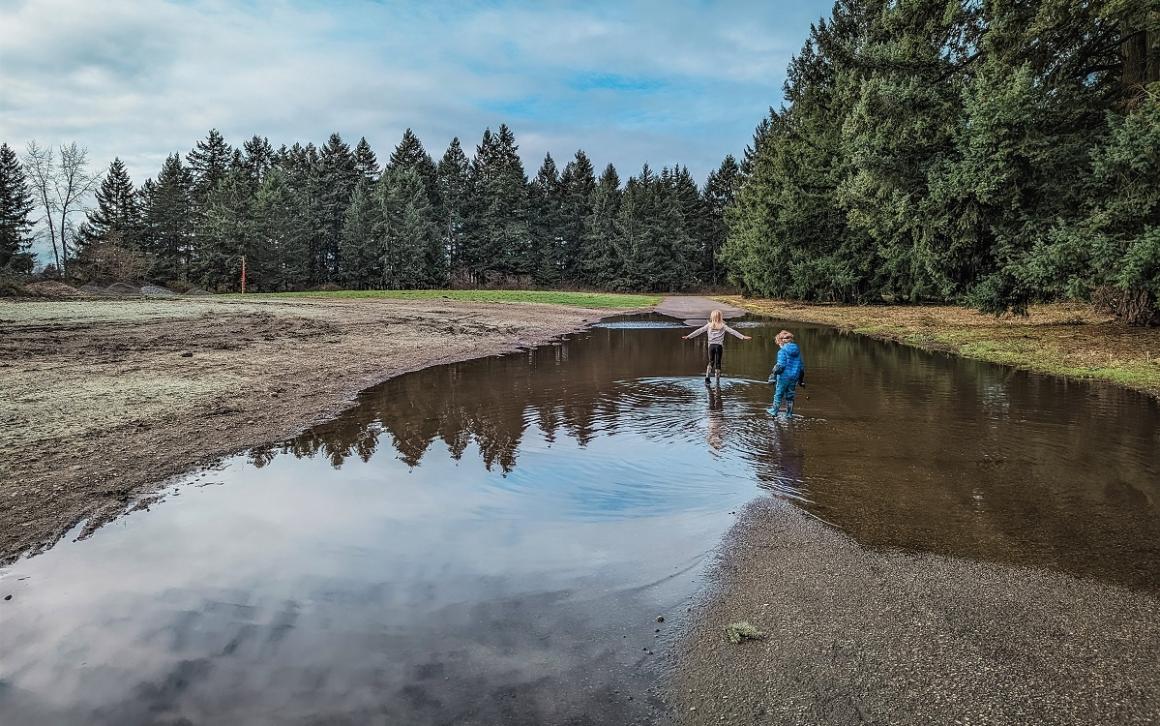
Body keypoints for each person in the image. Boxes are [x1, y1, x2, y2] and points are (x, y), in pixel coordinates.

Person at [682, 309, 751, 383]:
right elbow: (733, 332)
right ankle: (717, 381)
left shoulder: (709, 325)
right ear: (720, 317)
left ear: (712, 317)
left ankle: (707, 377)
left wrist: (689, 336)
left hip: (711, 346)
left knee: (711, 361)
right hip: (719, 346)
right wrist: (743, 337)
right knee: (718, 363)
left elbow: (699, 331)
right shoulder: (723, 326)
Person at [767, 330, 805, 417]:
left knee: (778, 394)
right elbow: (801, 366)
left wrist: (773, 375)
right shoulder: (798, 351)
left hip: (784, 377)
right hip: (794, 377)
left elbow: (780, 366)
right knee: (790, 396)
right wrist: (801, 380)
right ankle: (789, 414)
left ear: (781, 342)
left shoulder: (782, 351)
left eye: (778, 344)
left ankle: (774, 411)